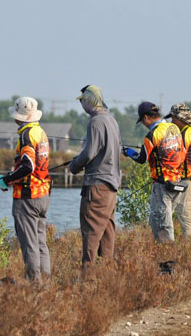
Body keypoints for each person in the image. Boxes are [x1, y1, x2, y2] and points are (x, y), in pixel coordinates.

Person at [0, 97, 51, 281]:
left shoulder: (26, 135)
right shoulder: (40, 132)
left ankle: (34, 285)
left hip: (28, 197)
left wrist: (7, 180)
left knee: (29, 244)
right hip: (43, 195)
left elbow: (28, 166)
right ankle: (45, 282)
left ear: (20, 117)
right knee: (41, 242)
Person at [69, 85, 121, 267]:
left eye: (82, 101)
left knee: (91, 230)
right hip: (111, 186)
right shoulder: (112, 121)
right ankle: (106, 273)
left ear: (89, 101)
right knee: (107, 230)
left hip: (97, 186)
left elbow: (89, 153)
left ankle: (88, 275)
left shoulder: (96, 122)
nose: (82, 105)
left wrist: (74, 165)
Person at [123, 102, 185, 242]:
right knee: (163, 221)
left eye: (142, 121)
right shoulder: (173, 127)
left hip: (162, 186)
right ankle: (164, 255)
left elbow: (141, 159)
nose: (144, 124)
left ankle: (166, 257)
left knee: (163, 225)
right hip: (177, 183)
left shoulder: (152, 135)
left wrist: (128, 151)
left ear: (146, 117)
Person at [165, 103, 191, 236]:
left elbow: (177, 157)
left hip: (190, 181)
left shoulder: (186, 133)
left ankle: (190, 254)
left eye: (173, 118)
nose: (172, 121)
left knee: (188, 220)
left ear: (180, 118)